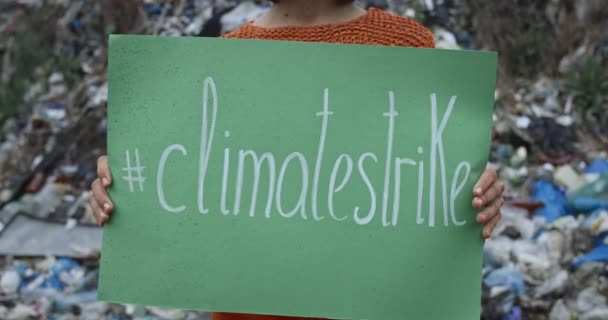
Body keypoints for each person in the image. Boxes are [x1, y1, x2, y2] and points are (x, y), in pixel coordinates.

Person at [90, 1, 505, 320]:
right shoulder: (220, 62)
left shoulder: (408, 45)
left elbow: (421, 180)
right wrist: (125, 194)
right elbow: (184, 191)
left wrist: (472, 193)